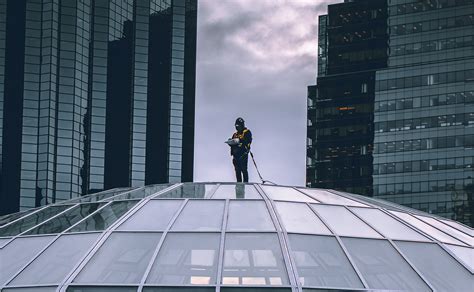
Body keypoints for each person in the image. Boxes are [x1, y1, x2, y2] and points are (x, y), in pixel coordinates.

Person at [228, 117, 252, 182]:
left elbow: (248, 141)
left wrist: (239, 140)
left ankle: (246, 187)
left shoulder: (247, 132)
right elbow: (233, 144)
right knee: (237, 172)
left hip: (243, 155)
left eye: (238, 125)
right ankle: (239, 190)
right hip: (235, 156)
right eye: (236, 126)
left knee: (244, 170)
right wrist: (230, 142)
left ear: (242, 125)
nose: (237, 127)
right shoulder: (235, 134)